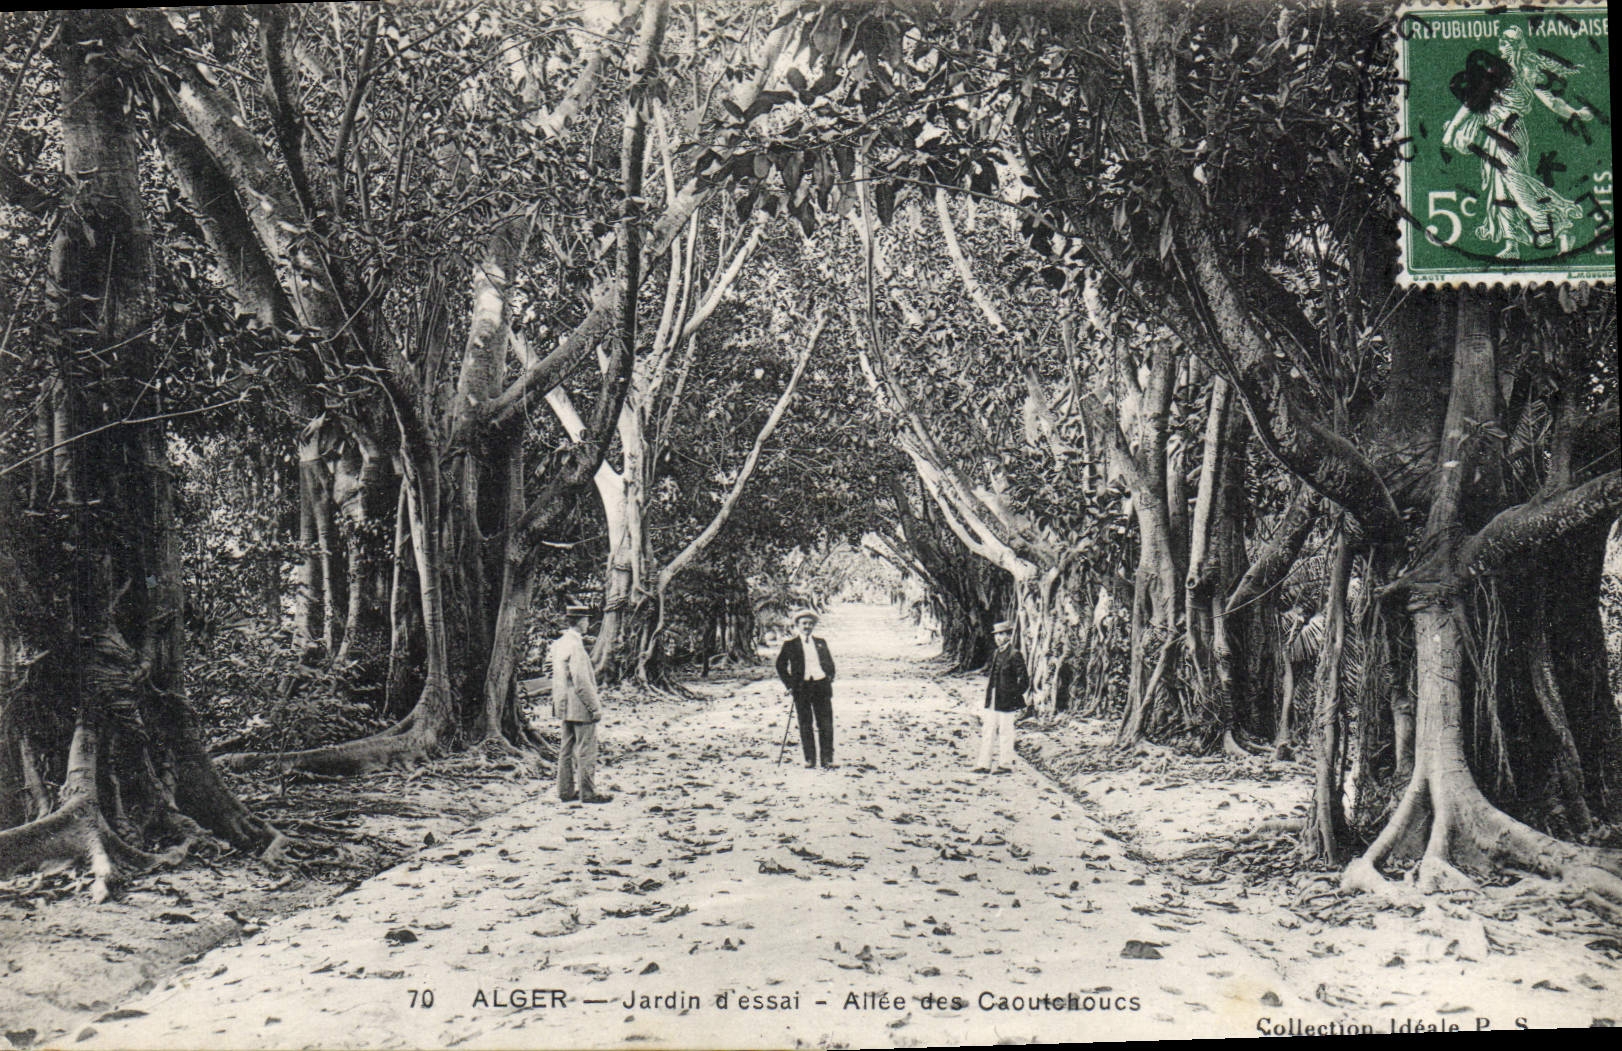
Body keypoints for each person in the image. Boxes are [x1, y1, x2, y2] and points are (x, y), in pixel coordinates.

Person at [1440, 23, 1593, 259]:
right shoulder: (1494, 71)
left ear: (1517, 46)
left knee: (1517, 186)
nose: (1501, 47)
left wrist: (1575, 113)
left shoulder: (1523, 71)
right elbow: (1473, 101)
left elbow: (1551, 101)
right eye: (1501, 42)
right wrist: (1454, 129)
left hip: (1510, 134)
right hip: (1492, 133)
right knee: (1500, 191)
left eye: (1507, 43)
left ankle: (1557, 226)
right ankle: (1512, 246)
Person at [551, 603, 612, 804]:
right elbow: (582, 681)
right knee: (587, 749)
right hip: (579, 705)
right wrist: (594, 707)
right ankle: (588, 792)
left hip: (564, 704)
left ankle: (565, 790)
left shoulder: (559, 643)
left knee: (566, 749)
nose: (588, 624)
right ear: (580, 622)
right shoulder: (576, 646)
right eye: (586, 620)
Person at [776, 608, 837, 769]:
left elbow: (829, 663)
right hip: (801, 687)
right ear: (797, 625)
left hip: (820, 685)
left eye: (810, 624)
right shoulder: (790, 644)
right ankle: (809, 759)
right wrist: (790, 684)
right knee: (805, 723)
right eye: (804, 623)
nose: (807, 626)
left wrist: (829, 677)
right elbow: (780, 665)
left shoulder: (821, 642)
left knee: (825, 723)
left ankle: (827, 759)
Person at [974, 619, 1029, 774]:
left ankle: (1005, 764)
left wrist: (1013, 696)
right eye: (996, 635)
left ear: (1009, 636)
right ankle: (984, 764)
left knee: (1006, 731)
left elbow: (1024, 681)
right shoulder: (997, 653)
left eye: (1002, 635)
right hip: (992, 698)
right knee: (988, 729)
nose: (998, 638)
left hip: (1006, 701)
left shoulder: (1014, 654)